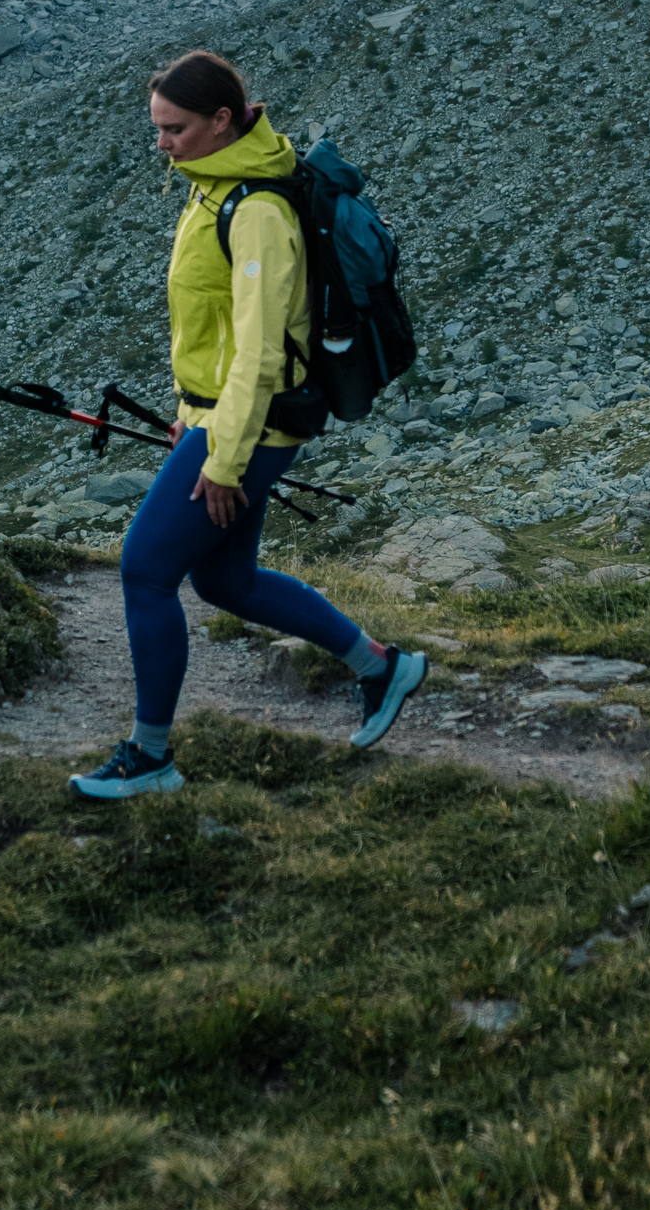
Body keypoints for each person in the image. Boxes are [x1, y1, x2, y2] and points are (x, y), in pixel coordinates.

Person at [69, 52, 426, 801]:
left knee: (143, 569)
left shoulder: (255, 208)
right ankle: (382, 666)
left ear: (223, 120)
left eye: (175, 128)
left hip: (253, 426)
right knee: (224, 578)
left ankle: (150, 755)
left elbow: (260, 348)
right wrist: (189, 418)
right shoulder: (213, 186)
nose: (161, 143)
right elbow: (215, 332)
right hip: (224, 418)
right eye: (158, 128)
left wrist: (222, 457)